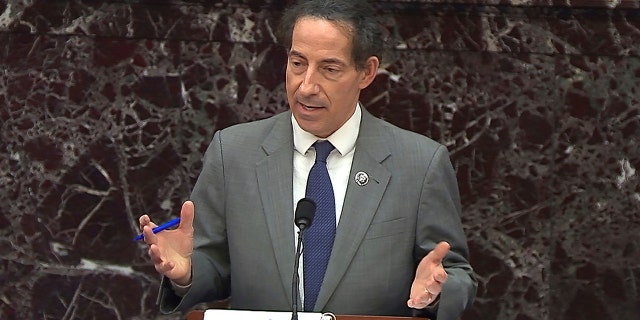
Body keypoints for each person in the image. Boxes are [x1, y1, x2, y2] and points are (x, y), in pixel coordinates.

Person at [138, 1, 477, 319]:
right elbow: (214, 264)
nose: (306, 86)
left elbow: (455, 273)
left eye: (329, 68)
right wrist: (186, 272)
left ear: (367, 72)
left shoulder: (419, 163)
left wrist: (437, 290)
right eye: (297, 63)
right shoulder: (234, 152)